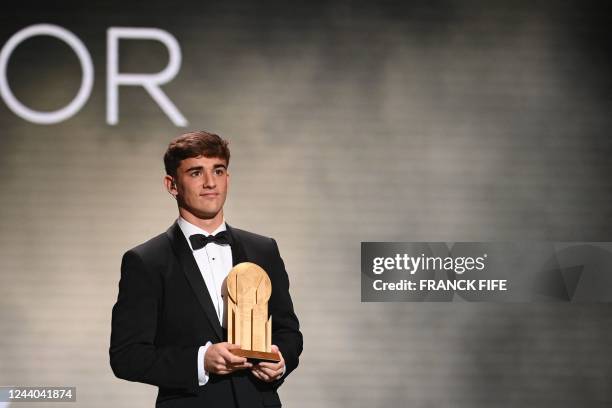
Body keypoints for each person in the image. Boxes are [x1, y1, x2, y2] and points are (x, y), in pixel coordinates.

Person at [110, 131, 303, 407]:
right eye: (196, 173)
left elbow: (288, 332)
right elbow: (126, 357)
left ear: (228, 178)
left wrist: (280, 360)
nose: (211, 183)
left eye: (218, 170)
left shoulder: (264, 249)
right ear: (172, 184)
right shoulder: (146, 261)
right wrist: (201, 361)